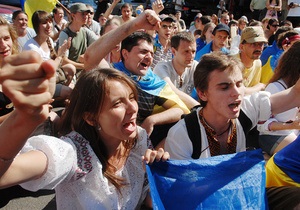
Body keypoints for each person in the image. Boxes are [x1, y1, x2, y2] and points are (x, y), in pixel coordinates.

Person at [0, 66, 169, 209]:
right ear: (91, 118)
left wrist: (158, 176)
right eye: (117, 103)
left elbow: (146, 200)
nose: (132, 108)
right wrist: (22, 119)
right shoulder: (73, 154)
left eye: (132, 98)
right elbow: (5, 174)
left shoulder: (138, 138)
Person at [164, 51, 300, 209]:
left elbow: (295, 94)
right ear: (202, 93)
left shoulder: (246, 111)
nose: (236, 93)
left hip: (243, 194)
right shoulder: (182, 134)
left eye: (239, 84)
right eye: (224, 87)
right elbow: (184, 193)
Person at [84, 10, 190, 147]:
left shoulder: (152, 82)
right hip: (105, 143)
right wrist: (134, 25)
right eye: (143, 52)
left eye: (152, 53)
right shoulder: (112, 73)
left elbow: (180, 110)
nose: (149, 57)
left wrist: (151, 120)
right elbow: (90, 59)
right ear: (125, 54)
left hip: (136, 143)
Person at [0, 51, 56, 176]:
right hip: (7, 135)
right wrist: (19, 115)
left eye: (6, 38)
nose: (3, 45)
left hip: (19, 129)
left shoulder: (21, 67)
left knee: (54, 118)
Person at [258, 40, 300, 156]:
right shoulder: (275, 87)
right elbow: (262, 125)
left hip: (293, 133)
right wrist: (291, 126)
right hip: (273, 136)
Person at [23, 10, 75, 101]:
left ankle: (57, 95)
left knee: (71, 68)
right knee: (70, 92)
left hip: (51, 78)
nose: (49, 25)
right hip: (38, 84)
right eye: (44, 23)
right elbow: (45, 73)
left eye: (50, 22)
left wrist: (62, 52)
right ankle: (54, 98)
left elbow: (55, 64)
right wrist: (59, 56)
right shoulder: (31, 47)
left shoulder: (49, 40)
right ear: (36, 26)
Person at [153, 31, 200, 110]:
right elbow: (172, 92)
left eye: (193, 51)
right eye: (186, 51)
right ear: (174, 51)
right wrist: (200, 109)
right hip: (160, 113)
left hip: (180, 113)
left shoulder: (195, 66)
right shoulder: (161, 68)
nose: (191, 56)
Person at [58, 3, 98, 72]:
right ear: (73, 15)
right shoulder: (65, 34)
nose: (86, 16)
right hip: (70, 74)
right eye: (83, 14)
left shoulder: (85, 31)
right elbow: (63, 60)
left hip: (83, 72)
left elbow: (98, 42)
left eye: (86, 14)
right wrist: (84, 66)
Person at [238, 26, 267, 95]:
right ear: (241, 47)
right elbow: (238, 92)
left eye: (261, 44)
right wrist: (260, 86)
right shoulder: (231, 64)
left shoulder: (257, 63)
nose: (259, 48)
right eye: (254, 44)